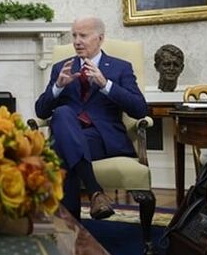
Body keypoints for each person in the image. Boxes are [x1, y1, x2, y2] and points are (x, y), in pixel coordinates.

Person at [34, 17, 148, 220]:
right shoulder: (62, 68)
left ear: (100, 38)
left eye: (83, 36)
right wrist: (58, 87)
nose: (77, 41)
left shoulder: (120, 68)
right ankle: (96, 193)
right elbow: (41, 112)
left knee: (60, 149)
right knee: (62, 114)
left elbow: (139, 109)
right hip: (71, 135)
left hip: (103, 139)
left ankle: (70, 231)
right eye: (74, 35)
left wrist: (106, 85)